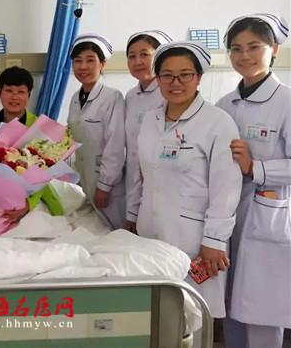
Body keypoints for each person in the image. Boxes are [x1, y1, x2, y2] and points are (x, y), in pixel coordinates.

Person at [131, 41, 242, 320]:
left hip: (194, 238)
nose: (176, 82)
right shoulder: (150, 119)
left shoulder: (218, 123)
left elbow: (226, 188)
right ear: (158, 79)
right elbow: (142, 174)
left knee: (192, 316)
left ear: (199, 78)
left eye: (185, 75)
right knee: (156, 314)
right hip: (150, 231)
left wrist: (214, 240)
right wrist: (133, 217)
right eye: (167, 75)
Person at [216, 14, 290, 348]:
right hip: (228, 217)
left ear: (274, 49)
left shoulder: (287, 102)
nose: (244, 55)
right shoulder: (224, 105)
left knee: (263, 308)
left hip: (268, 217)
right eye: (236, 48)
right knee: (231, 304)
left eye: (254, 47)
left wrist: (255, 168)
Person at [0, 66, 63, 223]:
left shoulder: (39, 127)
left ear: (29, 95)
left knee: (40, 226)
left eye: (21, 92)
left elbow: (44, 173)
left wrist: (28, 204)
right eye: (9, 90)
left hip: (33, 195)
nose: (14, 97)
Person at [67, 32, 126, 229]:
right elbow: (72, 136)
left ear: (102, 64)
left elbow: (116, 146)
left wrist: (105, 186)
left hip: (107, 183)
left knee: (114, 230)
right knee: (95, 230)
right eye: (78, 61)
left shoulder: (112, 98)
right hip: (84, 178)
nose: (83, 66)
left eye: (90, 60)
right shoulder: (75, 98)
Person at [123, 30, 172, 231]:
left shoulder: (168, 95)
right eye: (132, 56)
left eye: (145, 54)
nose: (138, 61)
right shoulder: (131, 96)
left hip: (162, 182)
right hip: (132, 182)